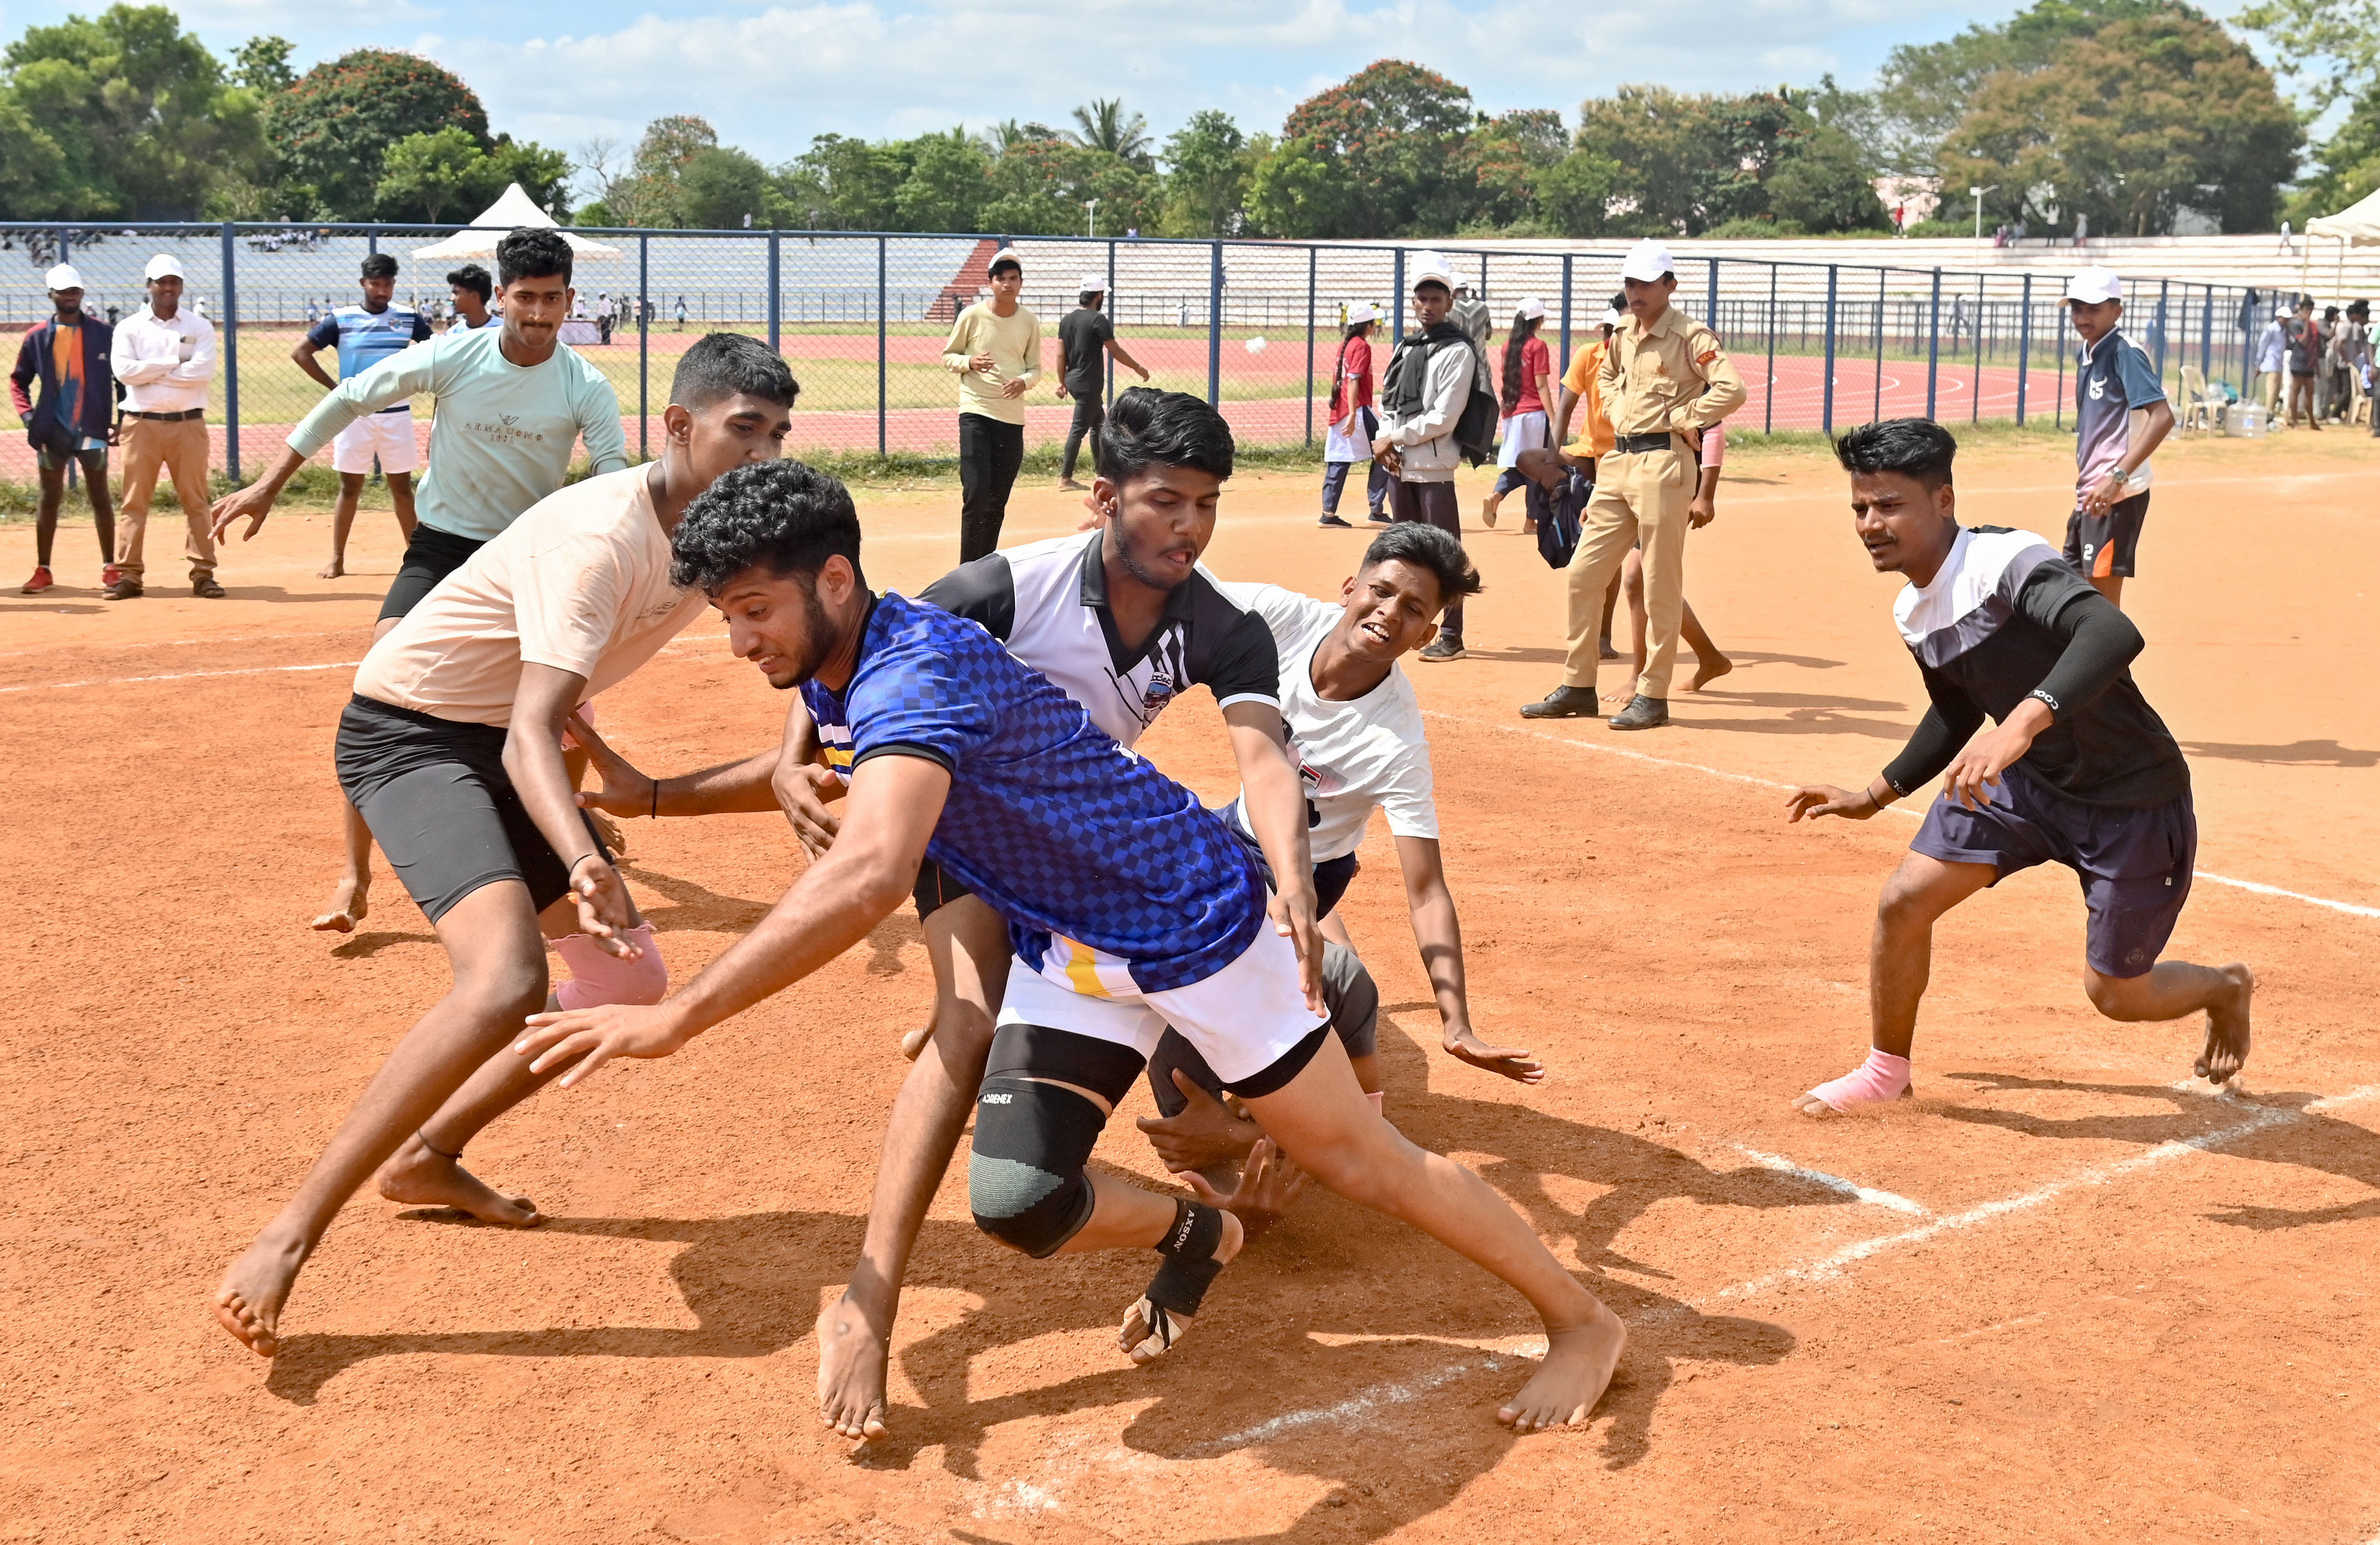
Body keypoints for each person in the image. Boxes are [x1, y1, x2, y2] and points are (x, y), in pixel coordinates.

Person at [512, 458, 1630, 1436]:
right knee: (1017, 1199)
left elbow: (869, 870)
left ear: (835, 583)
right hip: (1077, 941)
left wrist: (675, 1017)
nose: (739, 637)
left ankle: (1584, 1320)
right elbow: (841, 785)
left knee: (1360, 1163)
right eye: (726, 614)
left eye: (753, 609)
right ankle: (1204, 1228)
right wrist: (655, 799)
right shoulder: (839, 660)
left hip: (1199, 926)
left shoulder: (913, 671)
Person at [208, 334, 799, 1362]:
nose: (762, 450)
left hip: (492, 735)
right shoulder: (603, 538)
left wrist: (785, 752)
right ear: (677, 426)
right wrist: (579, 853)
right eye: (742, 428)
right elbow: (533, 726)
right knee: (502, 979)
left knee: (627, 979)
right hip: (410, 733)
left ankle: (429, 1155)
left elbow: (803, 623)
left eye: (778, 433)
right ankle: (287, 1233)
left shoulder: (714, 533)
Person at [1782, 418, 2252, 1117]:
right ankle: (1887, 1073)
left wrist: (2021, 723)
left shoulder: (2007, 561)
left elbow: (2112, 631)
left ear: (1943, 501)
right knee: (1903, 902)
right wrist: (1874, 794)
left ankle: (2224, 987)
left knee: (2116, 993)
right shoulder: (1914, 610)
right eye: (1860, 507)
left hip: (2129, 795)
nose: (1870, 524)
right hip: (2022, 787)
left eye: (1889, 505)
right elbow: (1953, 711)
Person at [210, 228, 633, 937]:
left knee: (561, 706)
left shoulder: (584, 384)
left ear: (569, 301)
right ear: (500, 297)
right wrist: (268, 483)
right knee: (379, 689)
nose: (537, 314)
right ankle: (355, 874)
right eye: (524, 298)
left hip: (530, 559)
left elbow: (614, 469)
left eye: (551, 300)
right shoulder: (453, 355)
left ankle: (569, 837)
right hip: (443, 549)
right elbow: (350, 397)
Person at [1522, 240, 1744, 729]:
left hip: (1665, 463)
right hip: (1618, 461)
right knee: (1584, 573)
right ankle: (1579, 684)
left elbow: (1733, 389)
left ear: (1670, 285)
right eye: (1630, 282)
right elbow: (1606, 378)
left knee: (1660, 583)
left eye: (1646, 283)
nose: (1636, 291)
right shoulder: (1621, 331)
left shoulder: (1691, 336)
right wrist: (1621, 411)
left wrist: (1688, 414)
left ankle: (1653, 693)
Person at [1373, 252, 1485, 664]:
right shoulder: (1407, 346)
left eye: (1436, 298)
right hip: (1399, 463)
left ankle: (1452, 633)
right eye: (1421, 298)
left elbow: (1444, 417)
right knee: (1401, 550)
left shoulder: (1458, 350)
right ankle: (1404, 623)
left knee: (1444, 553)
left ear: (1450, 303)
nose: (1428, 305)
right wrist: (1386, 439)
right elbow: (1388, 400)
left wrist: (1393, 438)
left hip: (1434, 466)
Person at [296, 254, 433, 580]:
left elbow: (438, 353)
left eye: (388, 284)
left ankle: (415, 561)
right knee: (349, 487)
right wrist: (336, 390)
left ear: (394, 285)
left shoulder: (409, 319)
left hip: (396, 416)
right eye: (376, 284)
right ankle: (337, 558)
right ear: (363, 284)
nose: (382, 290)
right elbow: (301, 353)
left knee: (402, 488)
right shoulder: (341, 320)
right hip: (353, 418)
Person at [108, 253, 221, 600]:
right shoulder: (129, 327)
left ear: (182, 286)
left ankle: (204, 573)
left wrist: (150, 372)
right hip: (141, 425)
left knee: (197, 501)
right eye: (161, 281)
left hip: (187, 424)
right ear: (149, 286)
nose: (168, 287)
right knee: (134, 502)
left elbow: (201, 372)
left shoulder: (198, 327)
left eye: (174, 281)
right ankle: (129, 574)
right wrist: (174, 363)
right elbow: (125, 373)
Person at [2062, 266, 2172, 610]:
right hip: (2091, 496)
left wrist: (2116, 478)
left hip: (2116, 495)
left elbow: (2163, 417)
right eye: (2078, 308)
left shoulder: (2125, 352)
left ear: (2117, 311)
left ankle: (2111, 665)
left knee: (2102, 612)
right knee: (2072, 598)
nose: (2083, 317)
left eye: (2094, 308)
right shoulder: (2088, 352)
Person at [10, 262, 119, 596]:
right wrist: (29, 419)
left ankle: (110, 567)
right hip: (52, 433)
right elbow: (19, 381)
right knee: (49, 499)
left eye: (75, 290)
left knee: (100, 496)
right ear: (51, 295)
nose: (70, 296)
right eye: (63, 291)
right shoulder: (38, 336)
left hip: (93, 430)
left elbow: (122, 379)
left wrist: (123, 417)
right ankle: (44, 570)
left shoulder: (104, 333)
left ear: (81, 293)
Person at [941, 248, 1040, 561]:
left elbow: (1035, 369)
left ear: (1021, 283)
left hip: (1011, 419)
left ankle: (983, 566)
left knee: (998, 499)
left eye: (1013, 279)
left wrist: (1023, 381)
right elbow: (948, 356)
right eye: (1001, 279)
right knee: (976, 493)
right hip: (976, 412)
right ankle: (966, 569)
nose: (1007, 285)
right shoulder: (971, 316)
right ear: (991, 283)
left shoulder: (1029, 322)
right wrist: (970, 361)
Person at [1552, 299, 1621, 638]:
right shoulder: (1588, 355)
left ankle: (1604, 631)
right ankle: (1556, 516)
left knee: (1618, 562)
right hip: (1589, 457)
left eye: (1616, 331)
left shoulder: (1639, 363)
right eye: (1607, 331)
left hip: (1624, 462)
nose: (1610, 338)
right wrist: (1553, 454)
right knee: (1526, 459)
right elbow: (1565, 409)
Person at [1053, 276, 1149, 492]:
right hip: (1089, 383)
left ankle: (1103, 473)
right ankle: (1066, 478)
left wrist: (1061, 381)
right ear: (1099, 296)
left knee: (1099, 426)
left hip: (1074, 380)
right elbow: (1115, 351)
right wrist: (1137, 368)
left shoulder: (1067, 320)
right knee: (1079, 429)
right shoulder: (1098, 320)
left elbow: (1060, 353)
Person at [1479, 298, 1552, 530]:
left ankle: (1496, 496)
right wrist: (1554, 416)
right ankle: (1531, 520)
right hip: (1534, 414)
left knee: (1516, 465)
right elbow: (1541, 385)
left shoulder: (1507, 346)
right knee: (1535, 467)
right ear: (1538, 321)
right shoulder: (1538, 346)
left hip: (1513, 412)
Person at [1318, 304, 1389, 529]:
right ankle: (1376, 510)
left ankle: (1328, 512)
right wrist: (1351, 414)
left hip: (1341, 408)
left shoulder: (1345, 344)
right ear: (1368, 326)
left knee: (1339, 459)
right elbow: (1353, 379)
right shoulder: (1362, 346)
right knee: (1385, 451)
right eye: (1373, 323)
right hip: (1356, 409)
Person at [2283, 298, 2321, 429]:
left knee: (2310, 391)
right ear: (2301, 309)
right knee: (2296, 390)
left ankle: (2312, 421)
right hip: (2298, 362)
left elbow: (2315, 346)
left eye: (2311, 310)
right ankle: (2294, 420)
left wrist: (2317, 366)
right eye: (2306, 309)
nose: (2309, 312)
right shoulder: (2295, 324)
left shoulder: (2312, 325)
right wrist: (2306, 323)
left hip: (2309, 363)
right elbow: (2303, 341)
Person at [2254, 307, 2287, 417]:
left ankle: (2271, 413)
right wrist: (2259, 363)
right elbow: (2262, 346)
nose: (2287, 321)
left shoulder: (2284, 331)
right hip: (2270, 363)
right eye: (2285, 318)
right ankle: (2268, 415)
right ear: (2279, 318)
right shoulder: (2271, 329)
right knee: (2272, 391)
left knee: (2277, 392)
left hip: (2279, 365)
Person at [447, 264, 496, 330]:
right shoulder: (454, 333)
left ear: (474, 296)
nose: (452, 299)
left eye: (456, 293)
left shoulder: (502, 330)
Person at [1451, 277, 1492, 354]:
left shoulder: (1449, 308)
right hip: (1480, 362)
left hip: (1458, 360)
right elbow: (1488, 335)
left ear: (1452, 290)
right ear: (1466, 288)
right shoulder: (1482, 306)